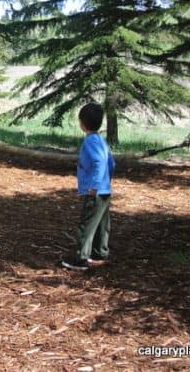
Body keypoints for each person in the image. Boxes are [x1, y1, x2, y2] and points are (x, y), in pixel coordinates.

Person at [61, 103, 115, 271]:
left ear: (82, 123)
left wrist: (95, 185)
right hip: (105, 190)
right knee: (101, 223)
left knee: (87, 223)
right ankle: (100, 253)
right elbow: (111, 163)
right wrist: (106, 181)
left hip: (96, 191)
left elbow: (99, 162)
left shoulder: (90, 141)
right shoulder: (101, 140)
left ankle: (81, 259)